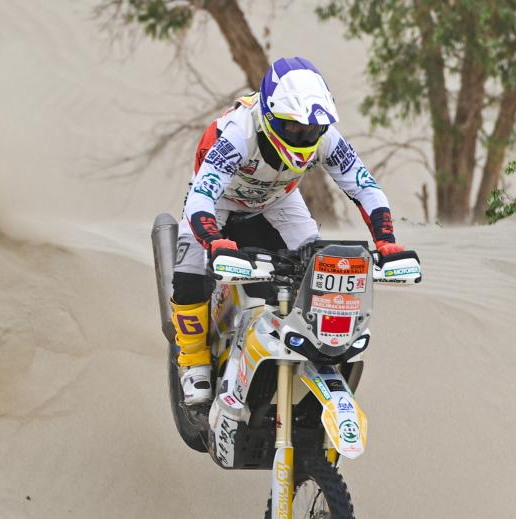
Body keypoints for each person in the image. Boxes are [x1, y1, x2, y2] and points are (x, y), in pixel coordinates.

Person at [171, 56, 407, 405]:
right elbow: (202, 194)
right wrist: (212, 239)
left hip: (278, 199)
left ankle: (312, 341)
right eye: (293, 127)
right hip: (220, 199)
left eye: (310, 130)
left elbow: (364, 185)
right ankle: (193, 362)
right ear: (268, 116)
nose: (303, 135)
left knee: (317, 263)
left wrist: (386, 240)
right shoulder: (238, 133)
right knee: (190, 271)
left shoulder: (326, 137)